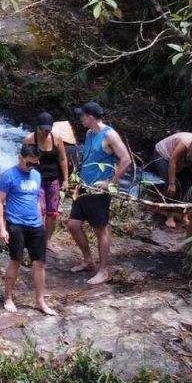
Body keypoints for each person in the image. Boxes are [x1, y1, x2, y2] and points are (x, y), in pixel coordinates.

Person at [67, 101, 132, 286]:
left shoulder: (109, 135)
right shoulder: (89, 133)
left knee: (100, 229)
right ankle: (88, 260)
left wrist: (111, 182)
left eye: (82, 116)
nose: (80, 119)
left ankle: (103, 271)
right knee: (73, 224)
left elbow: (126, 159)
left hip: (99, 190)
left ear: (91, 117)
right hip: (83, 186)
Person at [0, 144, 54, 315]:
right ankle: (8, 297)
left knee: (40, 264)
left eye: (35, 164)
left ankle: (40, 301)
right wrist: (2, 228)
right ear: (20, 157)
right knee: (16, 261)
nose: (31, 167)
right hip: (16, 224)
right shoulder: (9, 176)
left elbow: (36, 200)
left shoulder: (36, 175)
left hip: (35, 225)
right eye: (29, 163)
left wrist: (41, 221)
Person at [22, 112, 73, 224]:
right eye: (42, 129)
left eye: (47, 130)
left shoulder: (57, 138)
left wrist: (65, 180)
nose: (45, 132)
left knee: (52, 212)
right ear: (37, 127)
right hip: (36, 179)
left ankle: (47, 240)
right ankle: (38, 237)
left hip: (53, 179)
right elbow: (23, 160)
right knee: (40, 209)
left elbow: (63, 159)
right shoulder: (29, 140)